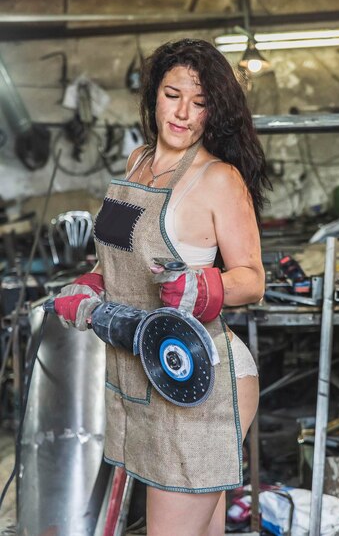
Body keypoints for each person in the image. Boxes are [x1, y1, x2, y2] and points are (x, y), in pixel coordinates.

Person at [53, 38, 270, 536]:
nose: (183, 113)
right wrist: (92, 284)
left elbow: (253, 280)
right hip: (140, 376)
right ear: (154, 95)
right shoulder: (138, 161)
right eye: (173, 95)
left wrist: (204, 288)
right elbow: (123, 259)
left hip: (202, 380)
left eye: (199, 103)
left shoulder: (218, 178)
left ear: (213, 111)